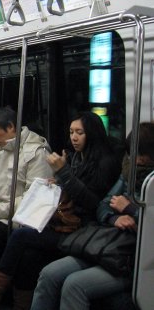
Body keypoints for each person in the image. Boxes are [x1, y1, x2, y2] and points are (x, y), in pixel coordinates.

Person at [0, 111, 121, 310]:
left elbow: (91, 202)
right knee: (21, 250)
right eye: (71, 132)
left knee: (17, 236)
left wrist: (64, 174)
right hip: (62, 222)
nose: (74, 137)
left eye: (80, 133)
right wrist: (59, 181)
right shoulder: (78, 158)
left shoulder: (105, 163)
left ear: (91, 134)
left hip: (81, 230)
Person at [30, 122, 154, 310]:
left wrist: (130, 209)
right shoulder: (128, 171)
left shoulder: (148, 181)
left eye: (142, 154)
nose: (136, 159)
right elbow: (103, 206)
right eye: (133, 153)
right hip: (110, 244)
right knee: (48, 274)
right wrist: (114, 218)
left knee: (74, 285)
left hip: (130, 257)